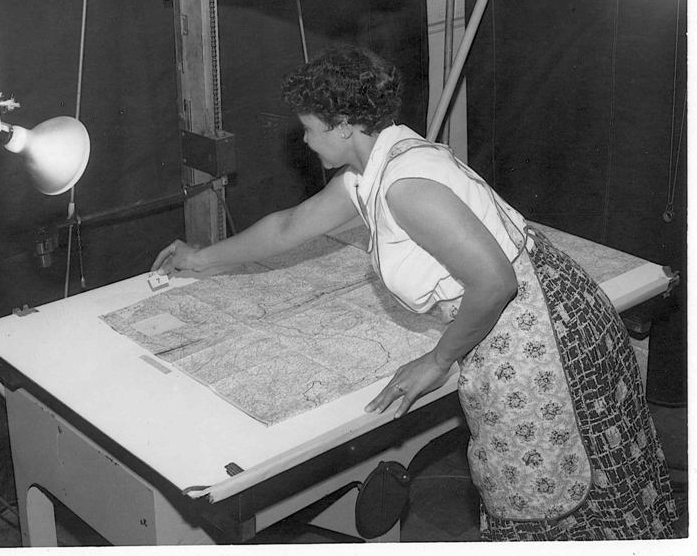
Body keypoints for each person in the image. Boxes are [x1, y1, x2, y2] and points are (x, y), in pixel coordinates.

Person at [152, 44, 676, 540]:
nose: (306, 141)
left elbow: (496, 282)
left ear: (346, 125)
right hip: (534, 313)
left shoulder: (406, 187)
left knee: (545, 486)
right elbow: (289, 227)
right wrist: (200, 257)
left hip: (540, 335)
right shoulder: (370, 171)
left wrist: (438, 360)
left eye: (310, 129)